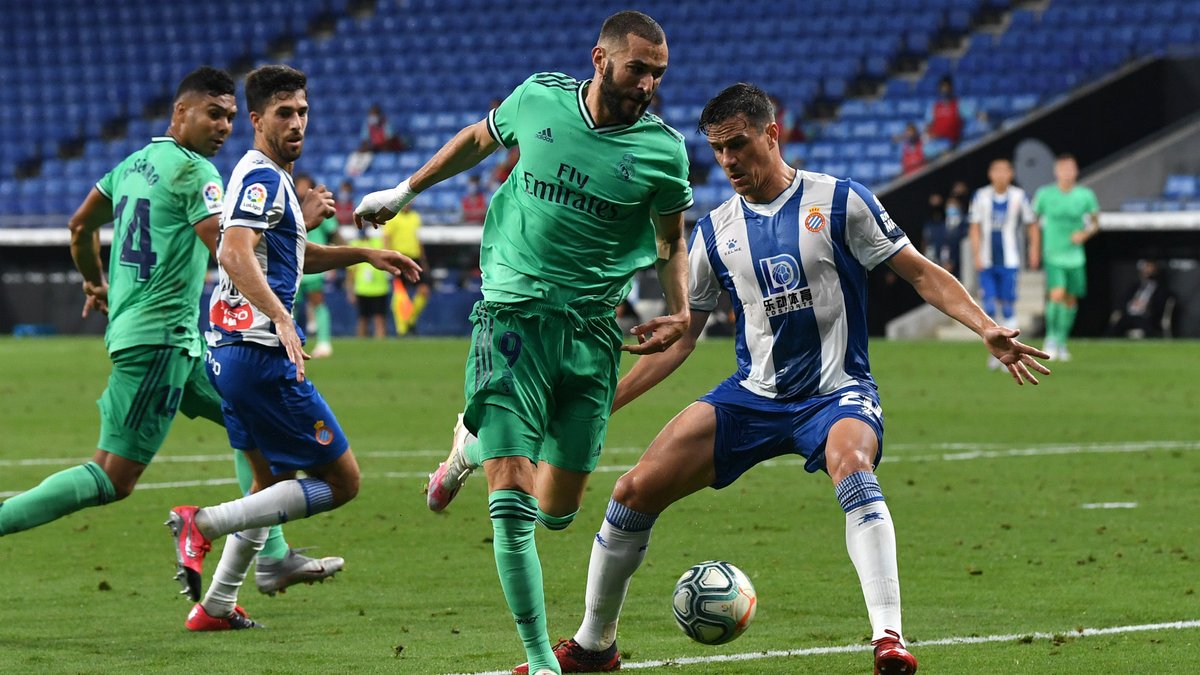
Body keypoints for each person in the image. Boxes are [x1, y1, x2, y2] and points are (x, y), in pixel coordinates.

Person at [518, 83, 1051, 675]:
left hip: (837, 392)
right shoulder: (715, 232)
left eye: (738, 145)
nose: (728, 162)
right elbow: (683, 338)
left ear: (773, 134)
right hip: (753, 396)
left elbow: (921, 274)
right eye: (717, 151)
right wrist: (603, 403)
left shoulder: (841, 201)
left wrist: (986, 328)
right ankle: (596, 646)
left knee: (852, 464)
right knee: (631, 492)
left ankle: (888, 639)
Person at [354, 11, 692, 674]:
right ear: (600, 59)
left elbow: (670, 241)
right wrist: (403, 191)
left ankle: (468, 445)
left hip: (593, 336)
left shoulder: (663, 152)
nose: (648, 83)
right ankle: (540, 659)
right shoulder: (538, 97)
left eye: (658, 73)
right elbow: (479, 140)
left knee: (556, 511)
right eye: (637, 69)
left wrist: (678, 309)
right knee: (510, 503)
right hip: (511, 318)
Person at [0, 66, 342, 603]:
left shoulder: (132, 165)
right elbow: (237, 252)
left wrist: (95, 282)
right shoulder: (196, 174)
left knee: (248, 420)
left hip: (179, 343)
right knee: (113, 477)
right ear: (180, 112)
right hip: (161, 342)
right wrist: (302, 217)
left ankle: (272, 556)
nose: (224, 126)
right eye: (214, 114)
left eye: (230, 117)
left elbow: (79, 227)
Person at [166, 65, 421, 630]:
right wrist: (281, 316)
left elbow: (281, 257)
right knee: (343, 481)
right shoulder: (262, 178)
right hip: (259, 353)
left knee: (268, 486)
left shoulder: (269, 176)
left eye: (302, 111)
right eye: (284, 113)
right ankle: (201, 524)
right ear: (256, 120)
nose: (297, 122)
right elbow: (232, 253)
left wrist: (362, 254)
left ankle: (217, 604)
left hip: (230, 351)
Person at [1030, 153, 1100, 361]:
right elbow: (1032, 221)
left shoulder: (1085, 195)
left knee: (1070, 300)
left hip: (1075, 255)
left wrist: (1084, 234)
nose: (1067, 173)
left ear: (1076, 171)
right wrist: (1034, 247)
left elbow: (1095, 222)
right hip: (1053, 253)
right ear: (1056, 171)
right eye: (1063, 169)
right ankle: (1050, 338)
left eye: (1071, 168)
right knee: (1057, 295)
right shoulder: (1045, 194)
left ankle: (1061, 340)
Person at [968, 158, 1035, 369]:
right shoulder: (981, 196)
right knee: (988, 306)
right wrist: (976, 254)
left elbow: (1031, 224)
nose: (1000, 175)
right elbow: (975, 227)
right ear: (990, 174)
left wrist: (1034, 249)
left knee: (1008, 307)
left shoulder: (1019, 196)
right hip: (987, 260)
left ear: (1011, 173)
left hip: (1009, 260)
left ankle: (1013, 353)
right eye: (996, 170)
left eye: (1004, 171)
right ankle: (995, 354)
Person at [294, 173, 344, 358]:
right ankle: (291, 342)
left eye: (305, 185)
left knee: (317, 302)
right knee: (290, 306)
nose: (301, 189)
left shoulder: (320, 207)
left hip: (314, 263)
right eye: (299, 184)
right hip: (293, 264)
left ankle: (323, 342)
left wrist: (335, 259)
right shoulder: (288, 206)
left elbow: (333, 233)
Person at [383, 202, 428, 335]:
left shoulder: (415, 217)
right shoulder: (392, 218)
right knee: (400, 293)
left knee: (423, 291)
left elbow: (417, 239)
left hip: (414, 258)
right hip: (400, 257)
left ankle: (410, 320)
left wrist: (423, 259)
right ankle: (401, 328)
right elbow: (387, 239)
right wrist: (388, 258)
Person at [1107, 259, 1173, 339]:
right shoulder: (1135, 287)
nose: (1147, 271)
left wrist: (1147, 305)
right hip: (1129, 316)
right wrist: (1132, 304)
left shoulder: (1160, 289)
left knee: (1147, 329)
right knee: (1115, 326)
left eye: (1150, 269)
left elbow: (1160, 306)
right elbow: (1123, 301)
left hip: (1145, 317)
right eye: (1145, 269)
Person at [347, 227, 391, 338]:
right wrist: (350, 291)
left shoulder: (377, 243)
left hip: (379, 287)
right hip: (363, 288)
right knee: (363, 319)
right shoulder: (355, 245)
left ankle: (380, 344)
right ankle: (361, 345)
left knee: (379, 319)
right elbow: (351, 272)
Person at [926, 75, 963, 148]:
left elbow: (978, 116)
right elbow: (928, 125)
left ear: (951, 88)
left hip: (952, 143)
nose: (944, 90)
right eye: (942, 87)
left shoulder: (959, 104)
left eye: (946, 87)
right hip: (936, 143)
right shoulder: (934, 107)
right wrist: (928, 134)